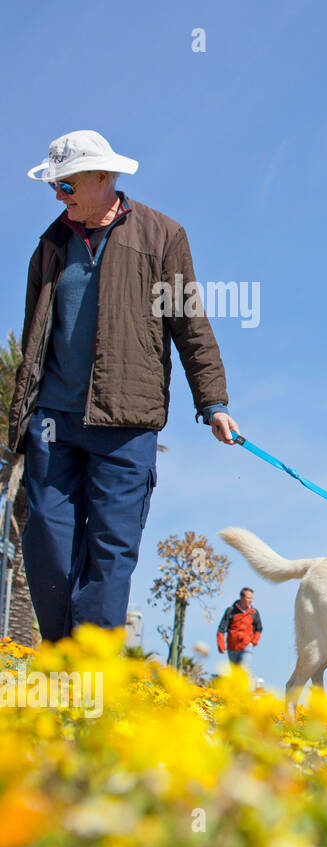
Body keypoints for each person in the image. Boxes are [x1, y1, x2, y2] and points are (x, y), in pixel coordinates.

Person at [11, 130, 239, 644]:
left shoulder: (161, 236)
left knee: (110, 553)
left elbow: (189, 322)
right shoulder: (51, 244)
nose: (58, 196)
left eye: (67, 186)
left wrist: (213, 402)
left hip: (126, 422)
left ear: (102, 178)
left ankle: (94, 675)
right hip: (54, 417)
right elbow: (34, 332)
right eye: (54, 187)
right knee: (47, 541)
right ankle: (60, 656)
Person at [217, 587, 262, 668]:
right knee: (235, 674)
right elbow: (221, 629)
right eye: (248, 598)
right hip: (232, 648)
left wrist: (253, 642)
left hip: (247, 646)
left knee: (243, 670)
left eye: (252, 598)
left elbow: (259, 629)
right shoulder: (230, 611)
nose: (250, 600)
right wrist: (221, 645)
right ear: (241, 597)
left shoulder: (254, 612)